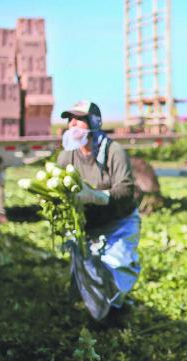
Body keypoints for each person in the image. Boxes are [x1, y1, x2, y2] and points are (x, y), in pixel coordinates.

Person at [57, 100, 141, 323]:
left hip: (118, 223)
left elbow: (126, 189)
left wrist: (96, 195)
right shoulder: (67, 156)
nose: (72, 124)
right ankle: (95, 310)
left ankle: (116, 312)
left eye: (79, 120)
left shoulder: (114, 151)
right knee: (89, 269)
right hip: (88, 224)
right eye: (70, 120)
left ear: (94, 123)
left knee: (117, 267)